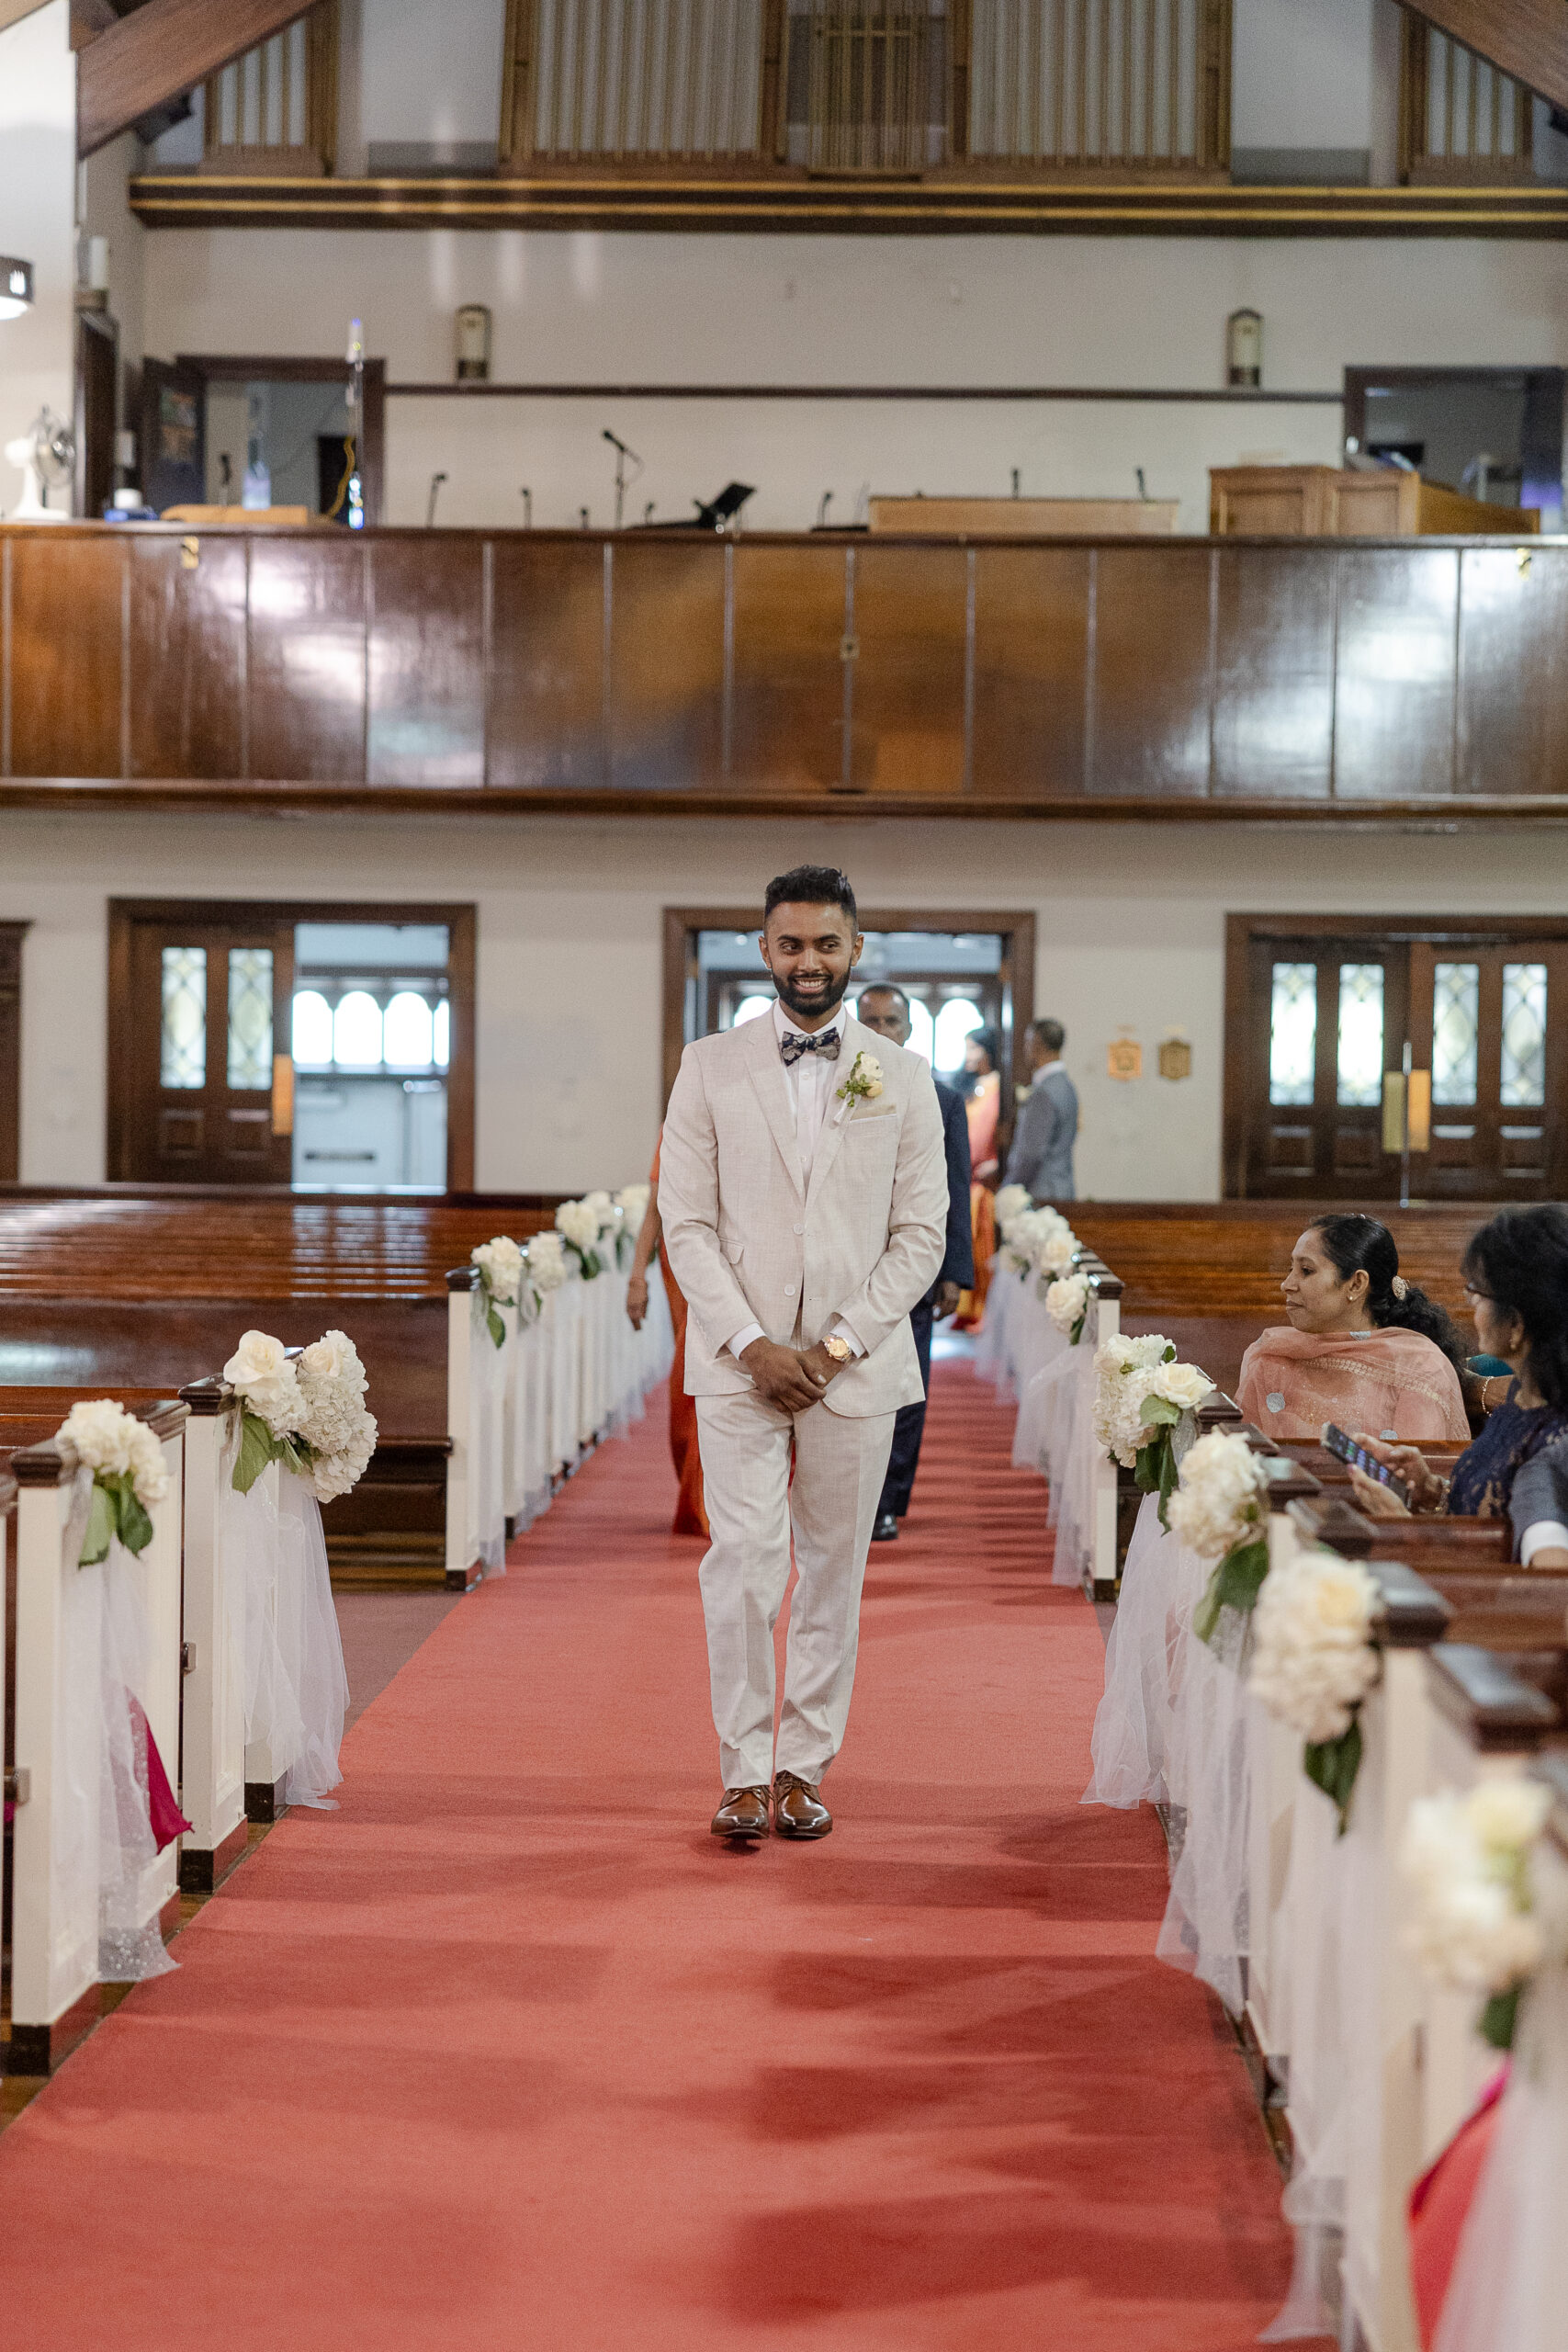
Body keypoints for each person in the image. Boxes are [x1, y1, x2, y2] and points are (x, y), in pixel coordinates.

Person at [660, 865, 946, 1841]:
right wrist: (750, 1342)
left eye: (827, 944)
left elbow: (921, 1235)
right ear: (764, 948)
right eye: (791, 944)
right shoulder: (709, 1064)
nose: (809, 961)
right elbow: (685, 1220)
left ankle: (802, 1765)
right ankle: (741, 1768)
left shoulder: (905, 1078)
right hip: (740, 1362)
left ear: (855, 949)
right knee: (741, 1561)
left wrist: (830, 1346)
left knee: (832, 1570)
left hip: (851, 1366)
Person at [1348, 1204, 1568, 1545]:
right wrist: (1432, 1491)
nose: (1472, 1306)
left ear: (1518, 1322)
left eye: (1477, 1294)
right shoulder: (1524, 1399)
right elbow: (1496, 1511)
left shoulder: (1554, 1447)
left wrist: (1403, 1528)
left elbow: (1547, 1584)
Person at [855, 983, 974, 1543]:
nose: (880, 1032)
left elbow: (955, 1186)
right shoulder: (835, 1089)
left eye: (891, 1022)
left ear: (909, 1028)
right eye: (869, 1021)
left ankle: (888, 1500)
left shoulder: (943, 1098)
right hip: (847, 1266)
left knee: (907, 1386)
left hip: (914, 1266)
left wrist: (955, 1271)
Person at [1235, 1213, 1470, 1444]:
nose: (1286, 1285)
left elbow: (1412, 1474)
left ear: (1356, 1284)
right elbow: (1241, 1462)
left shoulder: (1419, 1368)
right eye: (1291, 1269)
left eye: (1306, 1271)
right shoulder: (1273, 1359)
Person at [626, 1132, 708, 1538]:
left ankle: (709, 1501)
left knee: (719, 1374)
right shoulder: (679, 1120)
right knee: (689, 1376)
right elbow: (656, 1203)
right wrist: (637, 1275)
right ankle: (697, 1493)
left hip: (738, 1256)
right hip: (683, 1260)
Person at [953, 1023, 1002, 1329]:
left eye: (975, 1048)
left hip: (984, 1180)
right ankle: (965, 1307)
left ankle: (982, 1308)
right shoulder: (968, 1087)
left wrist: (995, 1162)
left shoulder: (998, 1086)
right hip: (964, 1176)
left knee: (983, 1246)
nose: (969, 1055)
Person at [1004, 1016, 1078, 1202]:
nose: (1025, 1048)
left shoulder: (1044, 1092)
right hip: (1062, 1187)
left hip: (1040, 1191)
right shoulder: (1067, 1086)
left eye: (1027, 1042)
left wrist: (1008, 1187)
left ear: (1037, 1045)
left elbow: (1031, 1153)